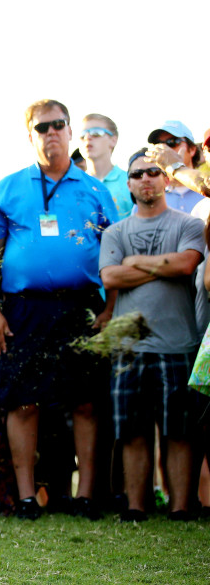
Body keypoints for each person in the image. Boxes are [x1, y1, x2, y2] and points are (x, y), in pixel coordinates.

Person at [0, 100, 117, 520]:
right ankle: (25, 497)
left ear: (70, 132)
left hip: (80, 308)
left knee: (87, 402)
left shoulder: (95, 190)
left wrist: (110, 309)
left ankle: (88, 496)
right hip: (23, 310)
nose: (51, 132)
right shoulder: (11, 186)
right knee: (22, 401)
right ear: (31, 135)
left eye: (59, 125)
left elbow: (114, 252)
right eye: (43, 127)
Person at [99, 150, 204, 522]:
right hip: (129, 347)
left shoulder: (189, 224)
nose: (146, 179)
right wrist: (163, 266)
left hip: (177, 343)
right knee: (133, 433)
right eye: (138, 174)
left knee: (179, 433)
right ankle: (135, 507)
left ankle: (180, 508)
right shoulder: (115, 232)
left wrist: (133, 263)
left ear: (166, 179)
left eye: (154, 172)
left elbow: (187, 263)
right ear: (128, 184)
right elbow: (110, 278)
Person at [76, 114, 132, 222]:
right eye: (82, 135)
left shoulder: (130, 181)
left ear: (113, 140)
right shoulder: (74, 185)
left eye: (96, 133)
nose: (88, 138)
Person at [144, 121, 204, 214]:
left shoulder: (206, 188)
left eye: (172, 142)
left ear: (192, 149)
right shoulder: (149, 196)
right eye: (159, 144)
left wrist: (175, 167)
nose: (165, 149)